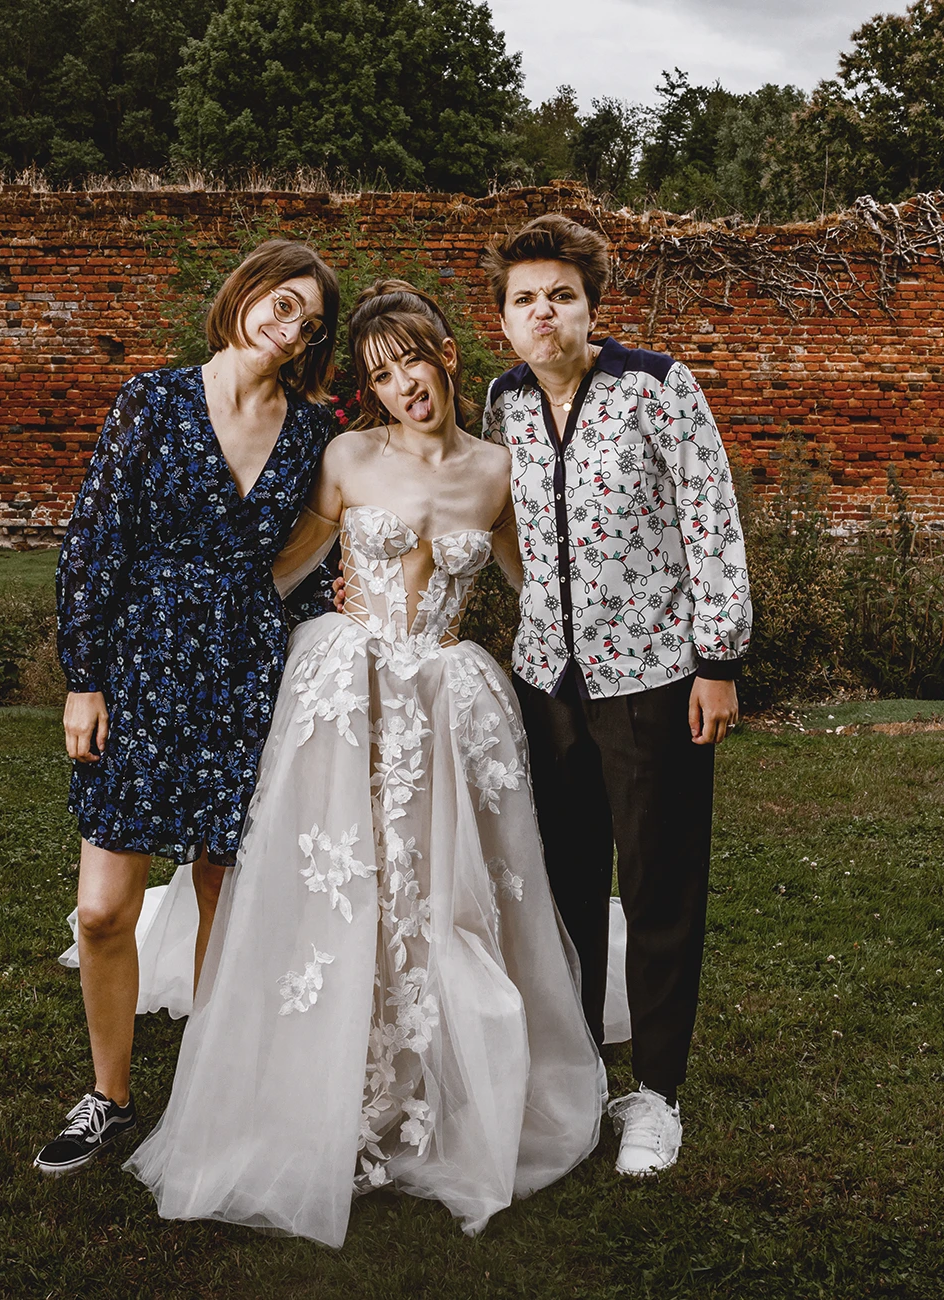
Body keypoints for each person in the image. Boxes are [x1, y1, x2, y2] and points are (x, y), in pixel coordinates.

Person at [124, 281, 605, 1248]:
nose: (401, 388)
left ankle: (434, 1079)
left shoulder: (498, 472)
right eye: (380, 375)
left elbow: (538, 588)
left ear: (445, 360)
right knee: (338, 881)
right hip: (346, 692)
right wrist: (175, 638)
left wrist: (618, 670)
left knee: (444, 888)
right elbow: (281, 564)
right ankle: (327, 1081)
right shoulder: (346, 456)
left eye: (412, 364)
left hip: (448, 700)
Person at [32, 239, 341, 1177]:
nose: (288, 330)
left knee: (222, 897)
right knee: (100, 909)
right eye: (280, 306)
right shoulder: (153, 399)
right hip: (142, 667)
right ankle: (108, 1097)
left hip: (249, 666)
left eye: (308, 324)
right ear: (245, 295)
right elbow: (93, 541)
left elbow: (322, 555)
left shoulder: (314, 430)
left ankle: (209, 1099)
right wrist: (83, 679)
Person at [478, 214, 751, 1179]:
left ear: (591, 304)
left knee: (661, 882)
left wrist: (716, 659)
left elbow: (710, 518)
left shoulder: (656, 386)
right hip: (547, 678)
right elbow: (494, 520)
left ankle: (659, 1096)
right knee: (565, 885)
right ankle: (581, 1072)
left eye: (560, 294)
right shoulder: (503, 401)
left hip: (656, 681)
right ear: (503, 318)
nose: (542, 311)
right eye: (524, 299)